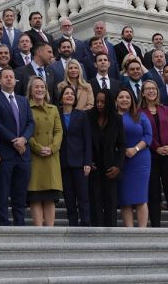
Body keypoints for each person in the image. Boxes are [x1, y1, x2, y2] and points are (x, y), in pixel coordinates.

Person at [0, 67, 34, 226]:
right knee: (3, 192)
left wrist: (23, 139)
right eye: (6, 77)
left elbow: (31, 123)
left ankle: (20, 223)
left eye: (11, 77)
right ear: (0, 81)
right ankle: (3, 223)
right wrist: (14, 140)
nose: (9, 79)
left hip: (23, 154)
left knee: (20, 192)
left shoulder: (23, 101)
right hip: (6, 153)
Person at [140, 79, 168, 228]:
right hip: (151, 156)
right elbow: (143, 134)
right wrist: (156, 147)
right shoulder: (139, 112)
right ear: (143, 93)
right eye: (148, 89)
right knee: (154, 193)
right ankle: (156, 227)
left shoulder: (166, 110)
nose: (151, 91)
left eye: (154, 88)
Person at [26, 76, 63, 227]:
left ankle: (51, 230)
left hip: (51, 157)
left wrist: (52, 148)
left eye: (42, 87)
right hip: (35, 157)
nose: (40, 89)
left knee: (49, 196)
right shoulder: (26, 107)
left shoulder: (53, 109)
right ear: (31, 91)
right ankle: (39, 230)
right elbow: (26, 131)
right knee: (36, 196)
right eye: (36, 87)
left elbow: (59, 131)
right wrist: (38, 148)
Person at [56, 84, 93, 227]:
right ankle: (72, 224)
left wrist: (88, 162)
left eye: (72, 94)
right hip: (63, 162)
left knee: (83, 197)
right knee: (69, 197)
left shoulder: (81, 115)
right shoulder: (56, 114)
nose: (69, 95)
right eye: (66, 93)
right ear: (61, 98)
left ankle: (85, 224)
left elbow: (87, 139)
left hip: (80, 162)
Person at [115, 88, 152, 228]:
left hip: (140, 159)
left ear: (132, 101)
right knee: (126, 198)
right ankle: (129, 232)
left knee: (141, 197)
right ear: (116, 100)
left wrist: (135, 149)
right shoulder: (113, 117)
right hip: (121, 160)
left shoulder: (140, 116)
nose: (124, 100)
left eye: (128, 97)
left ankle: (142, 232)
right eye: (121, 97)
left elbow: (148, 136)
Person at [88, 89, 124, 227]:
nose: (99, 104)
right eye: (97, 101)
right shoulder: (89, 116)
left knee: (110, 202)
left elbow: (121, 145)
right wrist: (87, 161)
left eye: (102, 102)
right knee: (95, 202)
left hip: (111, 167)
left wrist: (118, 166)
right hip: (94, 166)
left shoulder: (117, 119)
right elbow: (85, 141)